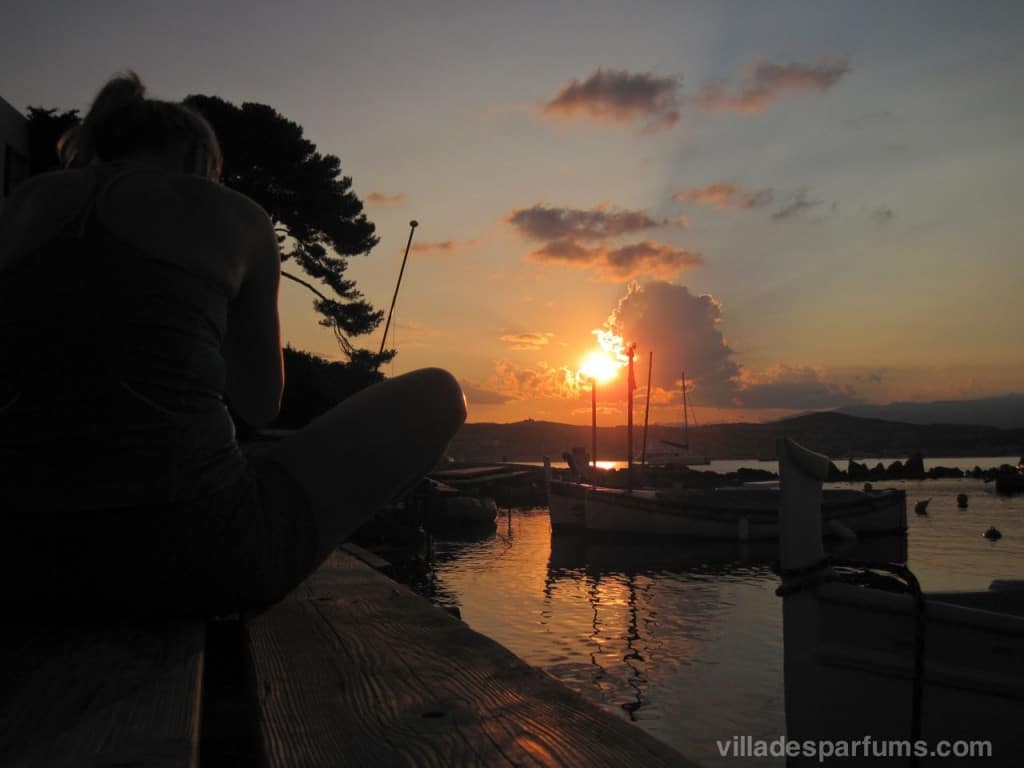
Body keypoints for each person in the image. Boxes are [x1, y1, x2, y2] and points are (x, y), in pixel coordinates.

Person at [0, 73, 466, 618]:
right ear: (200, 160)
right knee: (440, 394)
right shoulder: (233, 214)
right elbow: (259, 401)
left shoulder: (21, 205)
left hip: (17, 559)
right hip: (193, 557)